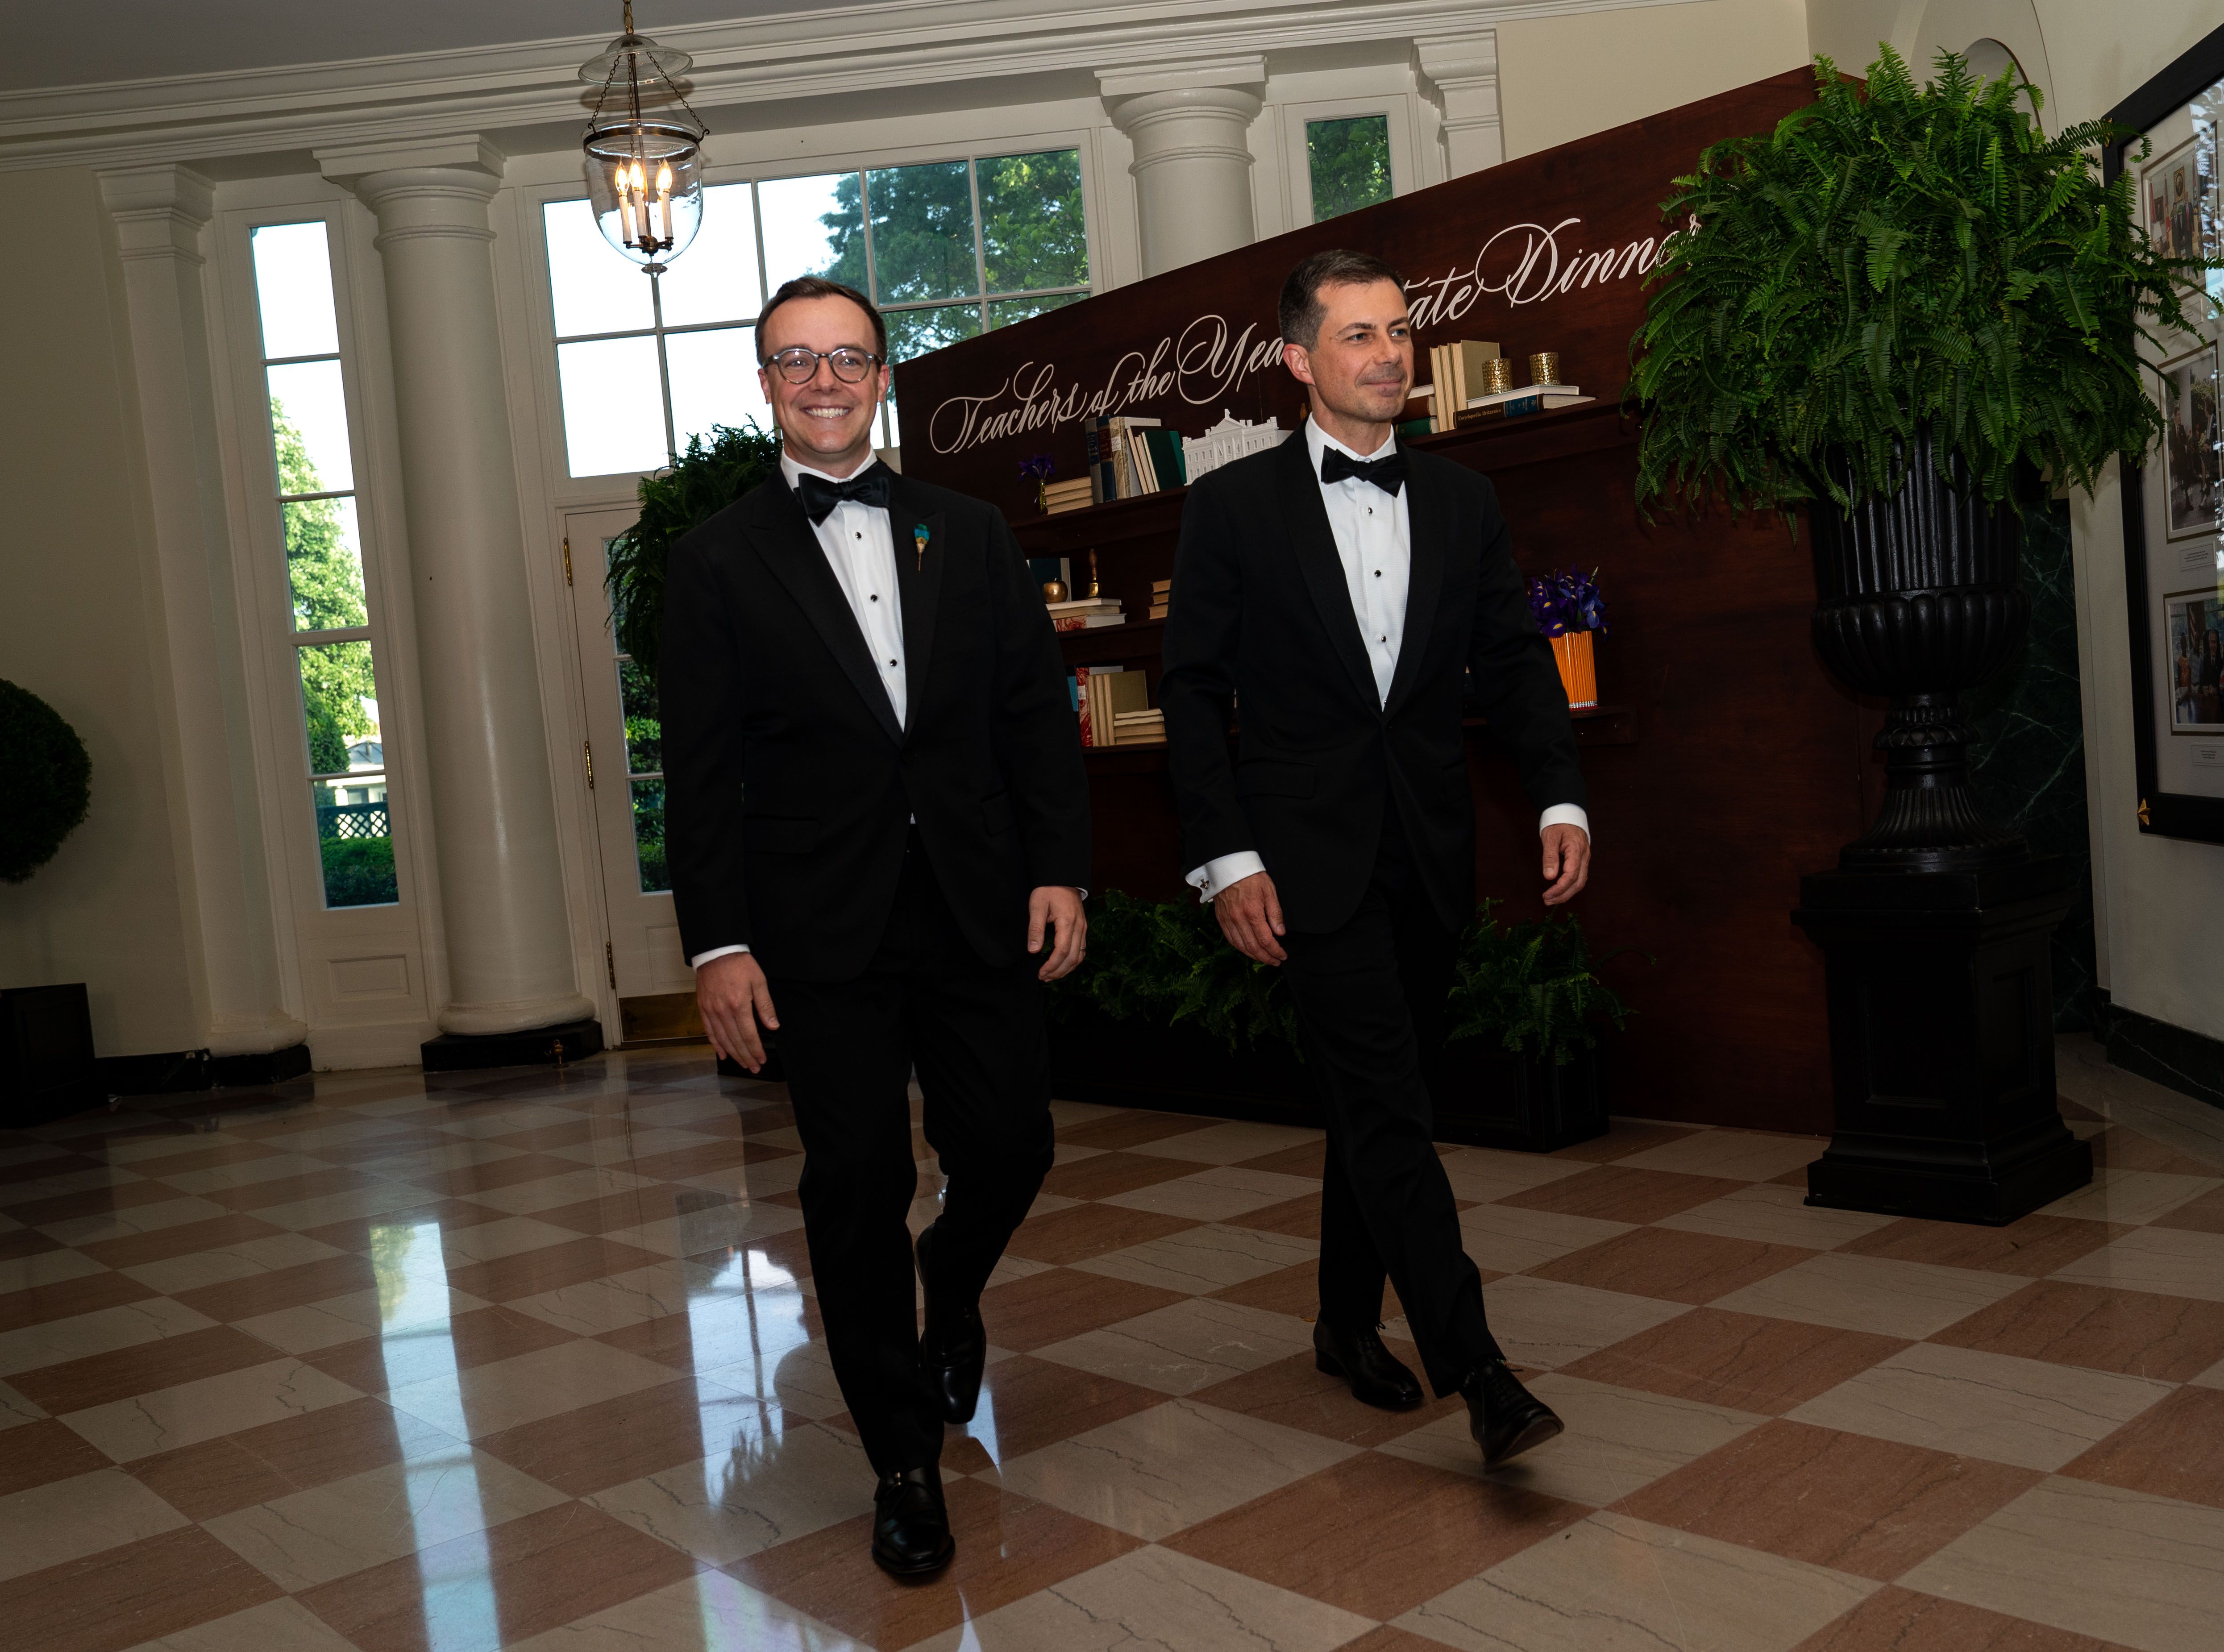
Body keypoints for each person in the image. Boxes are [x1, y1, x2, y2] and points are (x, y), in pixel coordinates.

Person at [661, 275, 1092, 1579]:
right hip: (814, 932)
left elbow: (1032, 717)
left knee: (1011, 1142)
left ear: (884, 374)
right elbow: (701, 772)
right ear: (766, 385)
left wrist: (1060, 869)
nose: (826, 379)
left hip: (974, 901)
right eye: (798, 360)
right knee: (855, 1186)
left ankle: (950, 1282)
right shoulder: (717, 558)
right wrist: (719, 944)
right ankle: (902, 1458)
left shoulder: (967, 530)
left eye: (848, 357)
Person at [1161, 249, 1591, 1468]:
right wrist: (1227, 859)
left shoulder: (1461, 501)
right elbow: (1191, 697)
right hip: (1304, 866)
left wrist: (1562, 795)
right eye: (1360, 336)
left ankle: (1346, 1320)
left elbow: (1512, 662)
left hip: (1431, 855)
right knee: (1394, 1111)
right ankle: (1482, 1371)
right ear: (1300, 359)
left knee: (1376, 1103)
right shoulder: (1233, 511)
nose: (1391, 355)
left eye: (1400, 332)